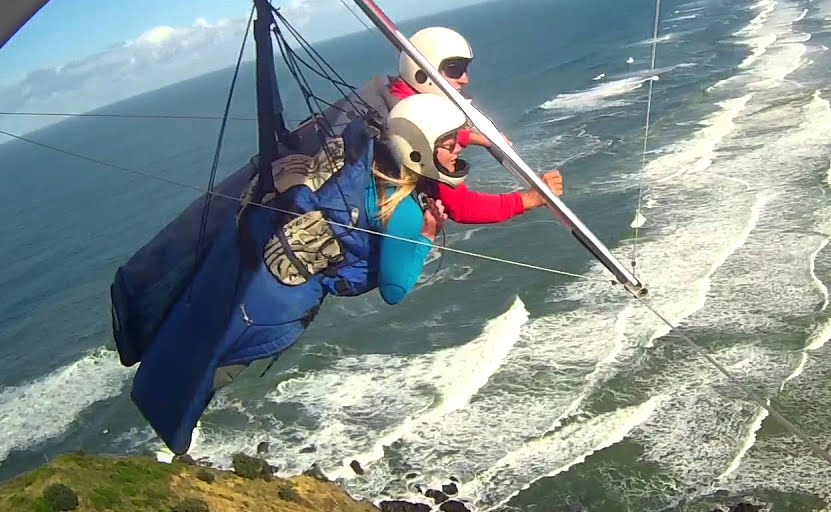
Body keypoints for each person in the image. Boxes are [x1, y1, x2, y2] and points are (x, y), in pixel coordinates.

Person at [128, 94, 461, 455]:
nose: (457, 149)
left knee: (194, 330)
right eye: (448, 144)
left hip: (257, 253)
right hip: (274, 301)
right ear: (419, 150)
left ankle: (155, 378)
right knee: (210, 365)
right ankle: (169, 425)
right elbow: (395, 289)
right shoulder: (404, 211)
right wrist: (426, 235)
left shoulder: (366, 156)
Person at [389, 25, 564, 224]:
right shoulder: (414, 120)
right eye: (454, 70)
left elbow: (429, 138)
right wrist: (532, 199)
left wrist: (477, 138)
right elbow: (461, 207)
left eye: (464, 70)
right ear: (422, 73)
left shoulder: (394, 101)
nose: (465, 79)